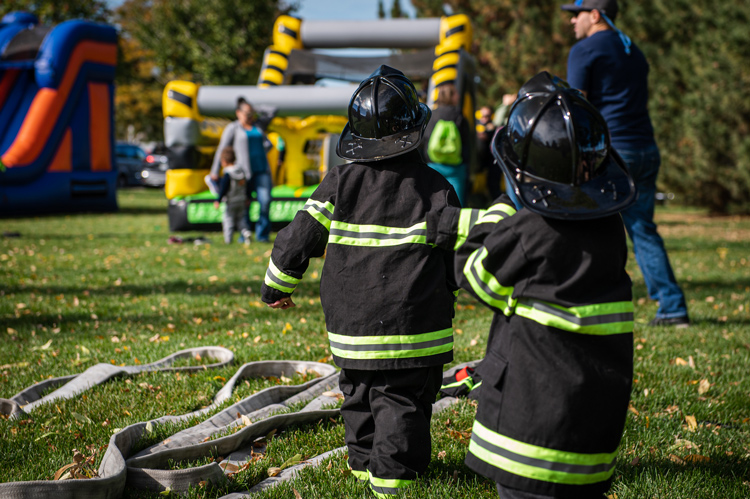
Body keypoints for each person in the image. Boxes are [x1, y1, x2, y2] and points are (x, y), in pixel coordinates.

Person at [426, 72, 637, 499]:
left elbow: (476, 274)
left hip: (529, 437)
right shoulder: (611, 229)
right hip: (593, 434)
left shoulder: (530, 231)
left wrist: (503, 210)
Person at [260, 65, 460, 497]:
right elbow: (454, 256)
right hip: (414, 329)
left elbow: (298, 236)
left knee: (358, 395)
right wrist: (454, 288)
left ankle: (362, 467)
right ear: (415, 128)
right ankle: (392, 482)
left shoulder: (339, 182)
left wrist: (276, 286)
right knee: (402, 402)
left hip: (352, 329)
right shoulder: (437, 188)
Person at [561, 0, 690, 327]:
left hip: (612, 153)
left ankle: (580, 303)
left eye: (575, 14)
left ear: (595, 14)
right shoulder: (634, 50)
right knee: (643, 230)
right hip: (646, 149)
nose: (571, 21)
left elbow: (577, 108)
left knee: (584, 227)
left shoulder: (585, 50)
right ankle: (672, 308)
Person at [209, 97, 275, 243]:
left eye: (252, 113)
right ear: (238, 113)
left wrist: (256, 108)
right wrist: (215, 171)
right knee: (244, 204)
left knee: (265, 201)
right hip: (243, 174)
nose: (250, 116)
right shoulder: (233, 128)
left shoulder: (257, 128)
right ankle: (243, 235)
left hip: (262, 170)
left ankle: (262, 235)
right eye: (247, 113)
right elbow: (222, 148)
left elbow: (272, 112)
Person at [422, 83, 472, 206]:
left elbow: (425, 138)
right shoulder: (459, 115)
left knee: (432, 201)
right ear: (451, 96)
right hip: (455, 166)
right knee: (457, 203)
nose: (459, 96)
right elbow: (466, 141)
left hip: (434, 163)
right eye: (455, 93)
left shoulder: (431, 115)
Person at [213, 146, 251, 244]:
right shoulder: (241, 171)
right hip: (241, 200)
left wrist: (218, 199)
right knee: (241, 219)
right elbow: (247, 186)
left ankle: (228, 240)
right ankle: (246, 232)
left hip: (231, 201)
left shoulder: (227, 173)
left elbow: (223, 188)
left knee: (228, 220)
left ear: (224, 161)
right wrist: (248, 197)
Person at [476, 105, 501, 200]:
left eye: (487, 116)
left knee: (493, 186)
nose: (485, 118)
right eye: (482, 116)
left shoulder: (493, 127)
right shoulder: (475, 126)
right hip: (479, 163)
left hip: (491, 162)